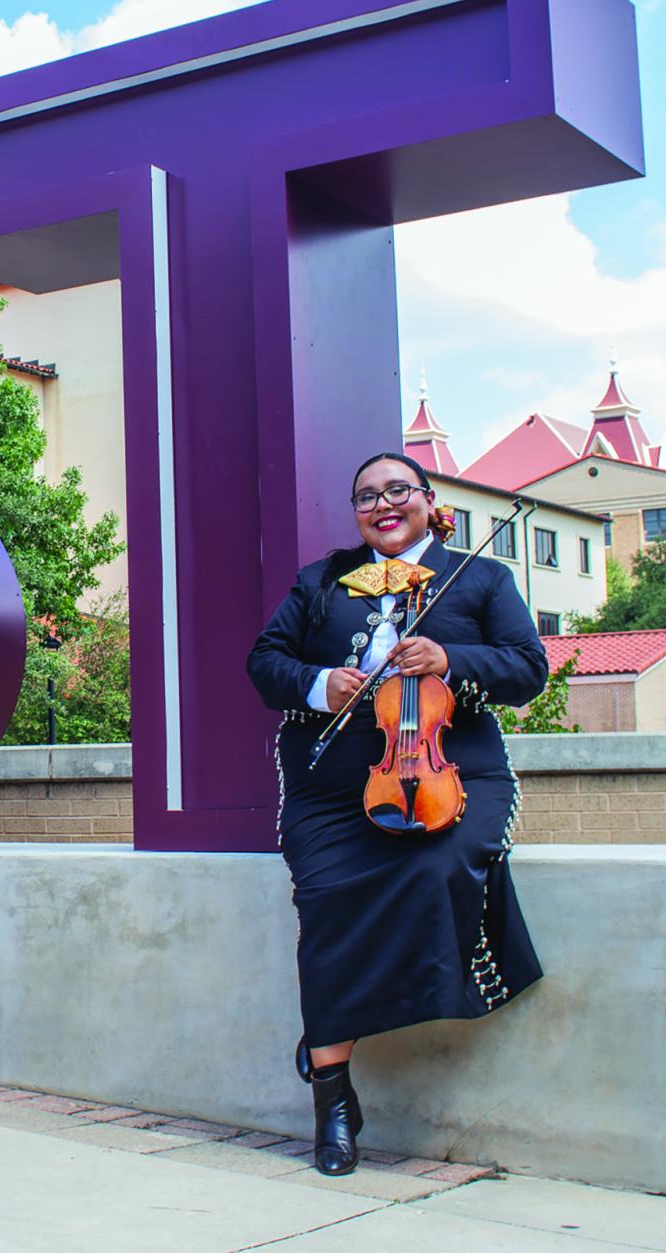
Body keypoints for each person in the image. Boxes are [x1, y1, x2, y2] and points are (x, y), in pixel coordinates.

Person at [245, 452, 548, 1176]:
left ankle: (333, 1015)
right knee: (324, 897)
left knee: (439, 863)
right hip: (330, 788)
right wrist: (321, 683)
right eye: (366, 497)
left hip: (450, 773)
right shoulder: (321, 579)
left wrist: (448, 657)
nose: (383, 505)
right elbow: (265, 661)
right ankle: (333, 1099)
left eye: (397, 491)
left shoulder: (478, 578)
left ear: (426, 498)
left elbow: (526, 666)